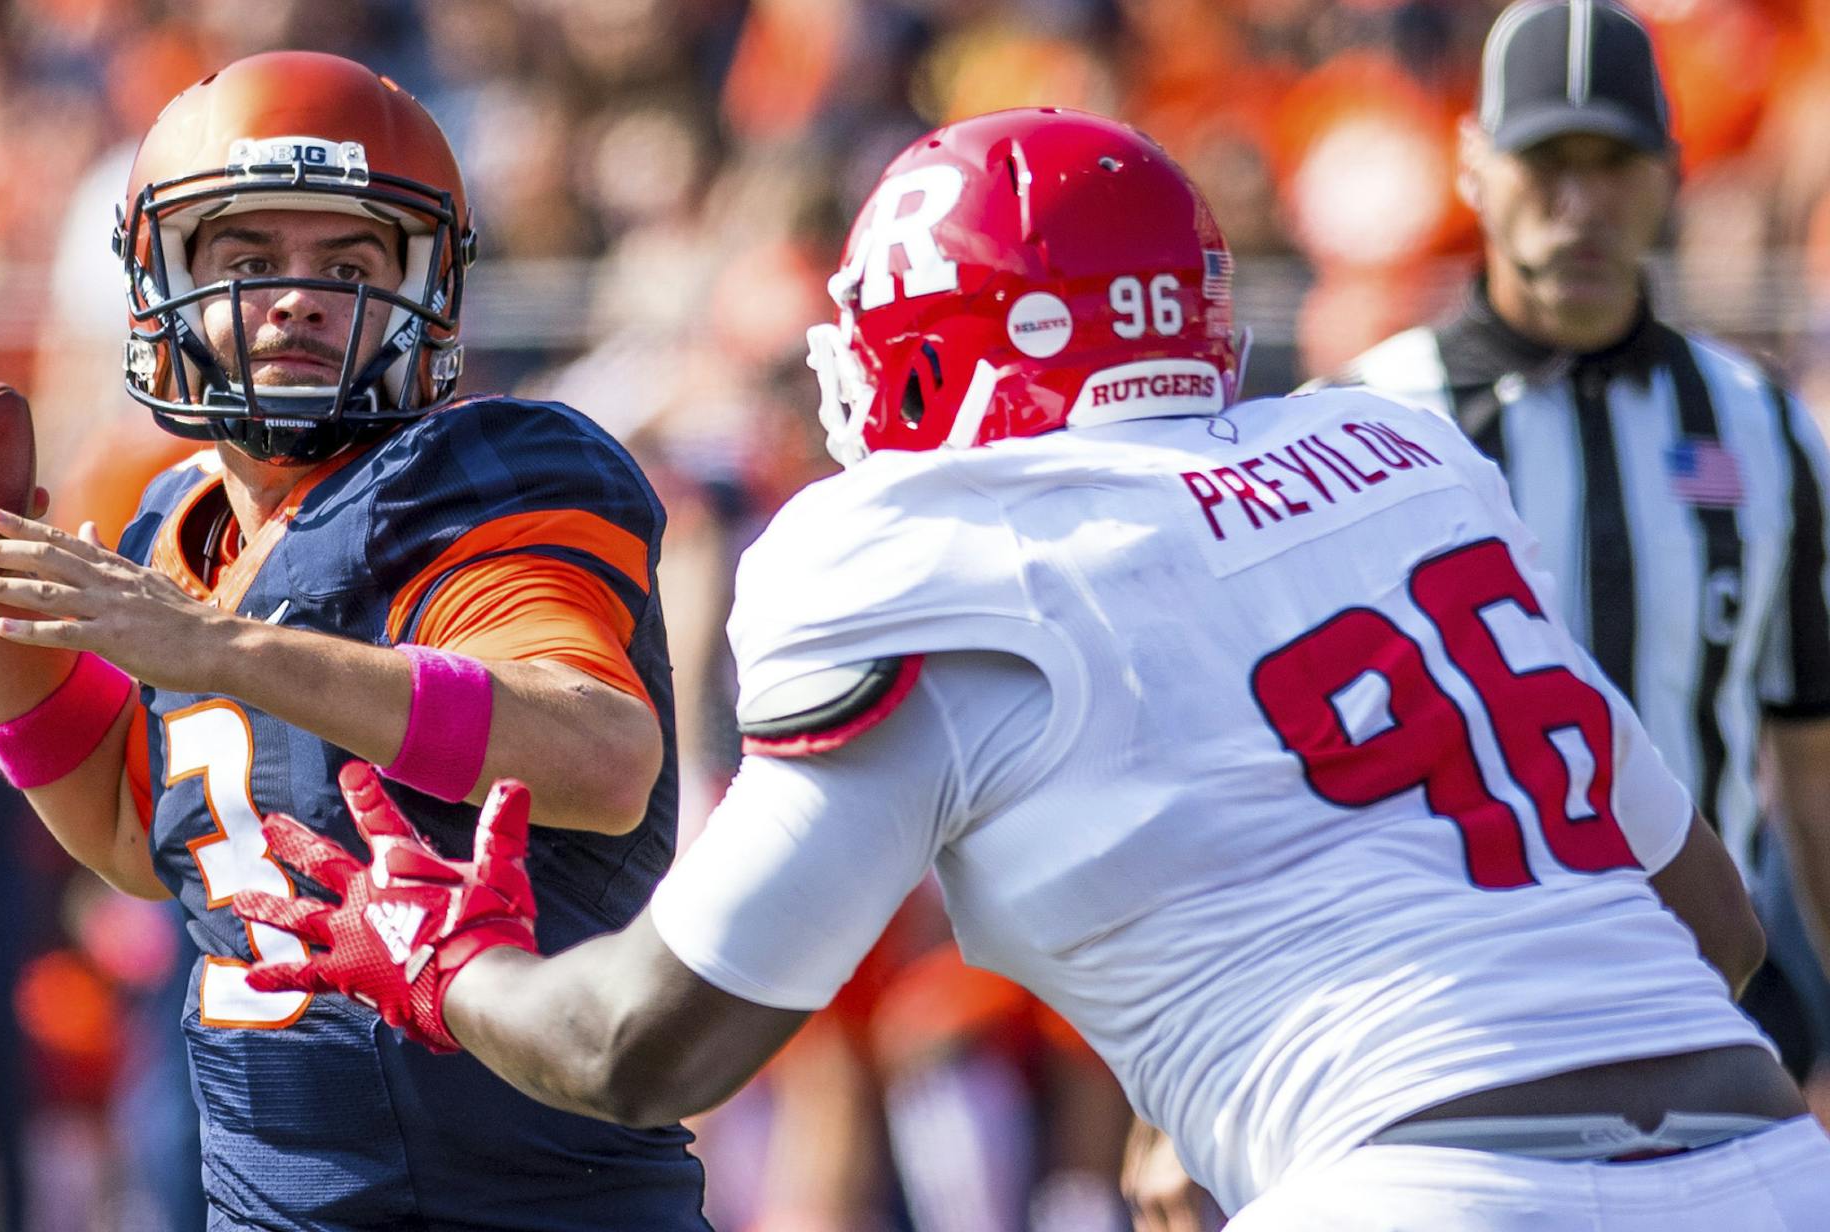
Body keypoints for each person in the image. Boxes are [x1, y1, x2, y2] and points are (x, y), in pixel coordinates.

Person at [233, 108, 1830, 1229]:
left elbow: (642, 1050)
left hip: (1420, 1184)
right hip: (1768, 1161)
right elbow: (1712, 917)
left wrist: (450, 971)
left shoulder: (941, 553)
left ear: (942, 351)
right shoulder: (1392, 457)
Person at [0, 51, 704, 1231]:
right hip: (268, 1198)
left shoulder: (480, 481)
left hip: (527, 1204)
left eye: (346, 262)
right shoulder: (182, 525)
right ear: (161, 278)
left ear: (425, 287)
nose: (297, 295)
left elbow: (599, 754)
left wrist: (225, 649)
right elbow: (143, 835)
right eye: (248, 260)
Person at [1329, 0, 1830, 1083]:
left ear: (1673, 172)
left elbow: (1811, 761)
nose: (1581, 205)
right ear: (1473, 168)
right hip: (1450, 1028)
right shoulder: (1362, 426)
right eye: (1546, 160)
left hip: (1714, 1009)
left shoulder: (1762, 425)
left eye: (1616, 162)